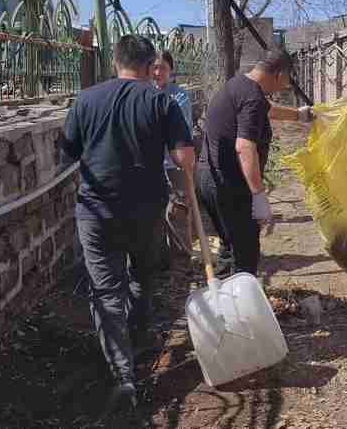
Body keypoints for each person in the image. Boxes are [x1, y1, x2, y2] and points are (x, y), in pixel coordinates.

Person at [60, 35, 194, 406]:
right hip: (146, 211)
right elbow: (184, 157)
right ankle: (138, 336)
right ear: (151, 65)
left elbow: (67, 153)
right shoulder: (162, 101)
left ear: (114, 62)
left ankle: (123, 374)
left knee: (106, 291)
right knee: (142, 275)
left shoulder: (86, 99)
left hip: (96, 212)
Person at [197, 50, 313, 278]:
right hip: (228, 185)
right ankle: (240, 298)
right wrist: (259, 195)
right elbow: (244, 147)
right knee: (245, 254)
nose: (286, 85)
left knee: (230, 246)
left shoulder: (239, 85)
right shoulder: (252, 97)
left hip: (209, 178)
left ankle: (223, 294)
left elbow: (268, 109)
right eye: (288, 79)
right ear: (279, 74)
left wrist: (299, 115)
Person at [149, 49, 194, 267]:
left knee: (178, 212)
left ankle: (182, 262)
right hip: (151, 166)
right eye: (155, 67)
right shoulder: (145, 94)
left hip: (175, 163)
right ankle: (161, 262)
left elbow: (178, 132)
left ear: (171, 71)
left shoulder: (179, 96)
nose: (158, 72)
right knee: (156, 214)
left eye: (163, 68)